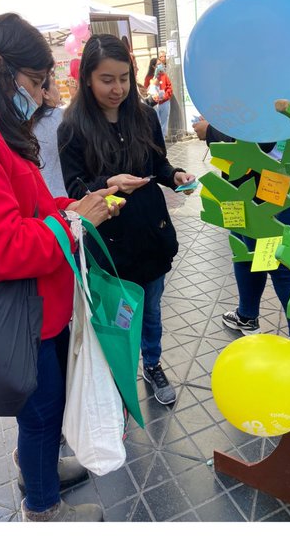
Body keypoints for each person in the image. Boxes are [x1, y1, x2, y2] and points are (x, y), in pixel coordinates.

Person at [0, 14, 122, 521]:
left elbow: (27, 204)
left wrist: (75, 206)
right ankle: (43, 507)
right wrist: (72, 225)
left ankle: (41, 469)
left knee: (44, 410)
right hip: (16, 309)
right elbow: (1, 245)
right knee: (43, 410)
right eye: (35, 81)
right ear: (0, 69)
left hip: (37, 304)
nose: (42, 92)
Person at [58, 35, 195, 409]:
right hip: (110, 245)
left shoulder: (145, 115)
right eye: (107, 79)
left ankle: (152, 364)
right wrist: (109, 185)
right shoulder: (72, 127)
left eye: (123, 77)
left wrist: (176, 176)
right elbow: (75, 188)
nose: (117, 88)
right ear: (87, 78)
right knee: (118, 320)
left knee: (151, 309)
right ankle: (119, 377)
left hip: (152, 234)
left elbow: (159, 165)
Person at [192, 119, 290, 337]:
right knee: (243, 250)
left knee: (279, 262)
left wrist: (211, 131)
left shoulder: (269, 89)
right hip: (243, 186)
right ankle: (247, 315)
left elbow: (264, 136)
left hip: (271, 184)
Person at [32, 78, 68, 199]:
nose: (58, 89)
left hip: (43, 197)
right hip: (67, 194)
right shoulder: (64, 117)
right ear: (45, 93)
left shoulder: (28, 124)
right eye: (54, 84)